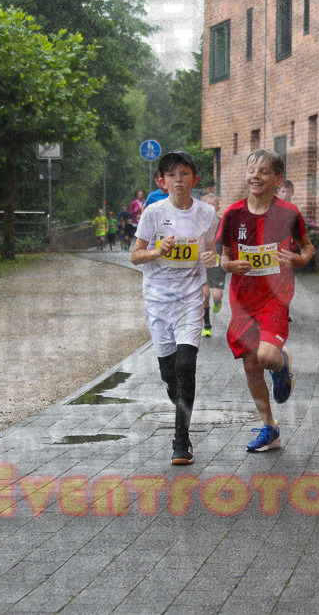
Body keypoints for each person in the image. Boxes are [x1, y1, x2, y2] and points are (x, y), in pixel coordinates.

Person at [218, 149, 314, 452]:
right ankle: (270, 429)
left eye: (263, 172)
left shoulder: (289, 212)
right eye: (251, 170)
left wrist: (298, 259)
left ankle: (282, 364)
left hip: (275, 298)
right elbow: (224, 258)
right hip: (243, 301)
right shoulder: (233, 214)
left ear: (277, 179)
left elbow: (308, 248)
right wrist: (230, 266)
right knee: (250, 365)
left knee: (266, 357)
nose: (255, 176)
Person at [131, 151, 219, 465]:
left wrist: (210, 269)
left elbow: (210, 251)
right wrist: (158, 250)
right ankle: (178, 398)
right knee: (170, 374)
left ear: (195, 180)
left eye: (184, 174)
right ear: (161, 182)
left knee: (185, 366)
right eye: (171, 175)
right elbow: (135, 256)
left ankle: (181, 440)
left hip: (190, 297)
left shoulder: (206, 213)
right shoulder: (153, 213)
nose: (178, 180)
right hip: (157, 299)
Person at [199, 193, 225, 337]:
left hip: (218, 263)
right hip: (202, 263)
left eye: (213, 205)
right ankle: (207, 325)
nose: (210, 207)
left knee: (216, 295)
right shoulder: (198, 223)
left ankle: (217, 301)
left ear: (218, 208)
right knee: (205, 294)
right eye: (207, 204)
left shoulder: (222, 224)